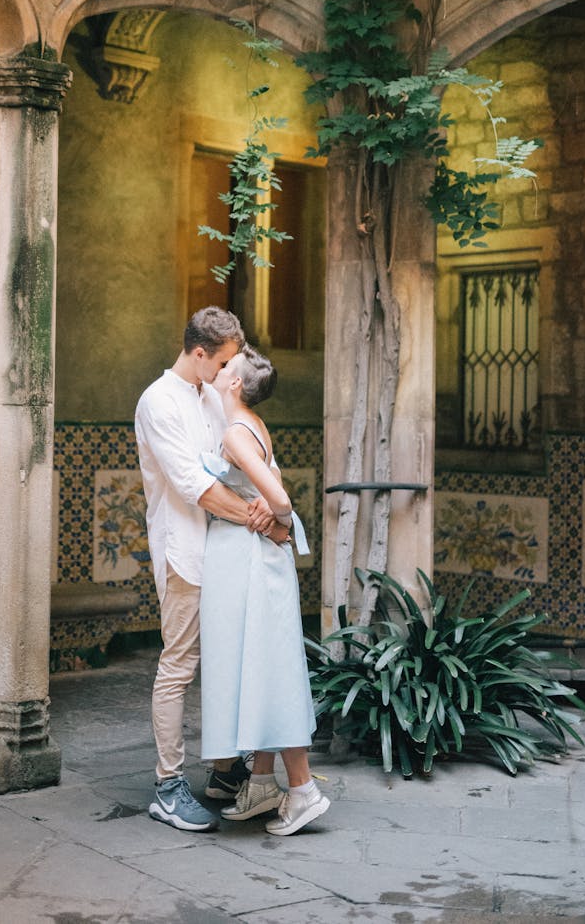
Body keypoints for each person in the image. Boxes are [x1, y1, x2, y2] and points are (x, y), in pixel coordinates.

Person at [135, 307, 291, 833]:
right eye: (224, 362)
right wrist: (262, 519)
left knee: (226, 663)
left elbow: (247, 454)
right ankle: (168, 784)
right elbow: (192, 485)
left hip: (228, 551)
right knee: (178, 667)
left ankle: (225, 772)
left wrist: (271, 498)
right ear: (199, 353)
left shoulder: (211, 394)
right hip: (186, 552)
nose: (231, 373)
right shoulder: (158, 401)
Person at [199, 343, 330, 836]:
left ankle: (302, 793)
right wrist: (269, 517)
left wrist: (271, 517)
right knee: (261, 667)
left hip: (250, 561)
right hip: (255, 560)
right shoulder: (252, 423)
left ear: (234, 383)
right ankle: (260, 783)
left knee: (268, 669)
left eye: (227, 365)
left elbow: (279, 498)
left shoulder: (235, 432)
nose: (220, 365)